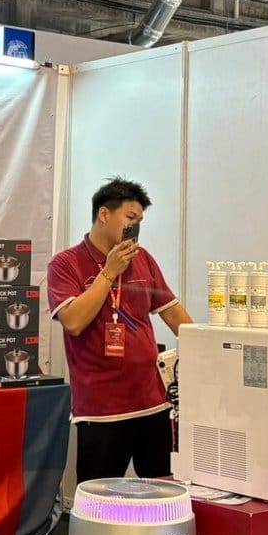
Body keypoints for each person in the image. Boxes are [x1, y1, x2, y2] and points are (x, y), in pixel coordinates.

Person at [48, 178, 194, 483]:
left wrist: (209, 348)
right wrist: (109, 271)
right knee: (99, 496)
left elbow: (172, 312)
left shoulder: (143, 260)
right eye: (129, 218)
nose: (135, 227)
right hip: (101, 409)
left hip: (152, 401)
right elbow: (73, 321)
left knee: (162, 490)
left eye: (139, 221)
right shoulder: (65, 264)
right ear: (104, 214)